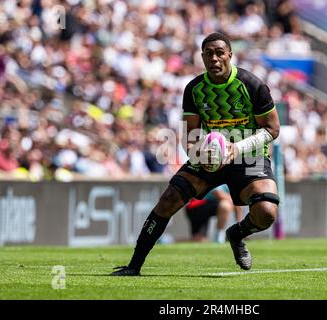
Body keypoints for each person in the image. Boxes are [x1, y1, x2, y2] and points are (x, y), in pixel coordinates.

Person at [112, 32, 281, 276]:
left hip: (249, 154)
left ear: (230, 55)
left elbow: (272, 129)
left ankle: (236, 234)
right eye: (209, 53)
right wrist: (199, 153)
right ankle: (134, 265)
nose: (214, 58)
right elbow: (189, 134)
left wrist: (238, 147)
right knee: (168, 199)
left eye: (219, 53)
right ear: (202, 57)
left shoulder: (252, 85)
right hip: (211, 155)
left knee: (266, 212)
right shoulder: (194, 89)